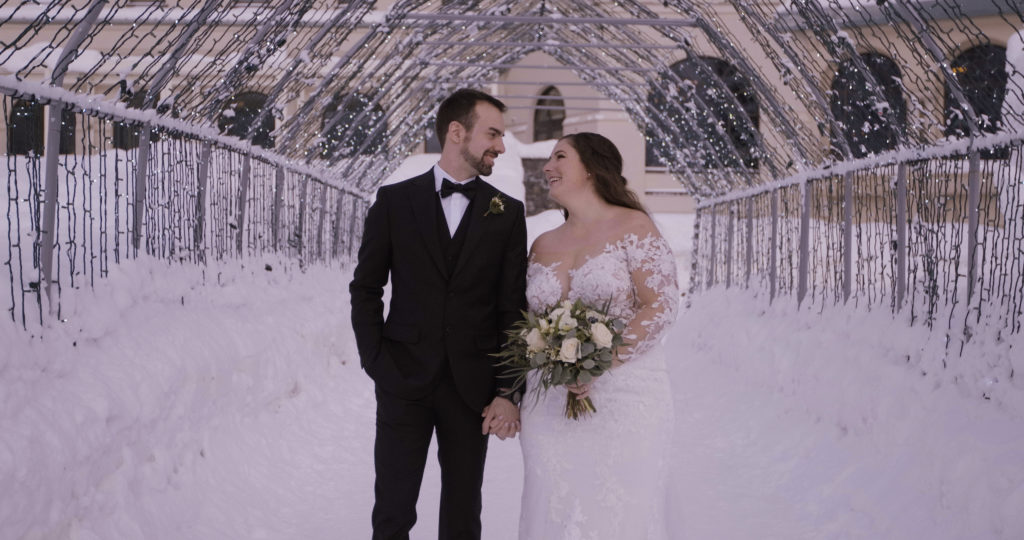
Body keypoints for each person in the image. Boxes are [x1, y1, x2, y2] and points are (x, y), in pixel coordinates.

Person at [349, 88, 527, 540]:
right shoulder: (393, 201)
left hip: (473, 387)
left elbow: (512, 309)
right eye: (492, 134)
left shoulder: (507, 214)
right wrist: (376, 361)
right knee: (392, 509)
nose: (500, 146)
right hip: (402, 378)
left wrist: (507, 389)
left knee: (464, 513)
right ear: (456, 132)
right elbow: (366, 288)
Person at [518, 132, 679, 539]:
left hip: (626, 396)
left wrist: (602, 363)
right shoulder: (541, 244)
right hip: (550, 403)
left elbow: (660, 305)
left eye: (559, 157)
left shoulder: (633, 226)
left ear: (590, 168)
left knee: (617, 511)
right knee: (553, 507)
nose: (547, 167)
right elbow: (527, 322)